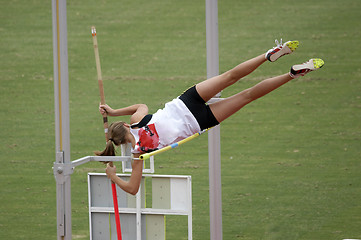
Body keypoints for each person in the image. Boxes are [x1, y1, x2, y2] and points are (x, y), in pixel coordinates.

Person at [96, 40, 324, 195]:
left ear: (119, 142)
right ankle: (268, 55)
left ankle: (292, 74)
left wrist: (113, 176)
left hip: (200, 121)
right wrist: (114, 111)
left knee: (247, 96)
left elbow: (133, 189)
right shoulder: (138, 121)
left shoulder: (139, 155)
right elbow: (141, 105)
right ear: (126, 125)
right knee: (230, 76)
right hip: (186, 102)